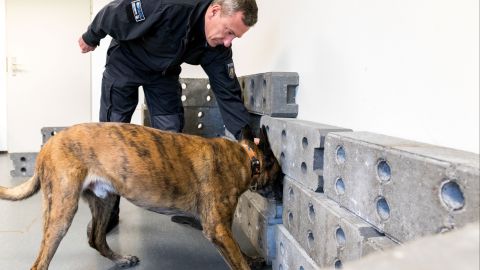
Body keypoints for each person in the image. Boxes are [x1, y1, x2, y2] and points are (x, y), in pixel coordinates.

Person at [79, 0, 258, 232]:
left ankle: (190, 209)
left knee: (172, 138)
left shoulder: (218, 47)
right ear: (214, 11)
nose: (228, 42)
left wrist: (245, 136)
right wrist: (91, 37)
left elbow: (228, 91)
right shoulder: (169, 5)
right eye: (229, 32)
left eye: (234, 38)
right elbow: (113, 13)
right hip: (126, 62)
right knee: (112, 139)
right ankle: (108, 215)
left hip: (163, 74)